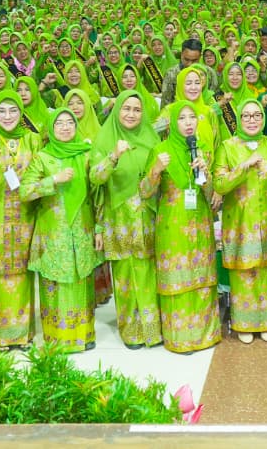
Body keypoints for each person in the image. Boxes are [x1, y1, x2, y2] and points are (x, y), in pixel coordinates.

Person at [143, 102, 221, 353]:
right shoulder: (160, 150)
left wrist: (205, 174)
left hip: (200, 223)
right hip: (172, 227)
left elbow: (211, 197)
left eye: (192, 118)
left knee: (201, 277)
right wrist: (155, 170)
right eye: (182, 118)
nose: (188, 123)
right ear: (173, 123)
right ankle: (180, 338)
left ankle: (206, 335)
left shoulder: (203, 150)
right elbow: (144, 193)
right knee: (178, 279)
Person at [21, 107, 100, 353]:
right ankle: (58, 339)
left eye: (70, 123)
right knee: (55, 282)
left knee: (80, 280)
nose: (65, 128)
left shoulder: (87, 155)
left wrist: (98, 228)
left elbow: (99, 192)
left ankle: (83, 335)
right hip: (53, 232)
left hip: (81, 229)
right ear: (51, 129)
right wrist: (52, 180)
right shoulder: (42, 157)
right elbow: (25, 192)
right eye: (59, 124)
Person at [89, 91, 163, 349]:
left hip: (146, 214)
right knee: (124, 275)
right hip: (117, 217)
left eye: (136, 109)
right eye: (126, 109)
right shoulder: (105, 139)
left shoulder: (151, 138)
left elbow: (159, 179)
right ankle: (131, 331)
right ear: (117, 110)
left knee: (147, 271)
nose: (131, 114)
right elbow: (95, 179)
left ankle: (153, 330)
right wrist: (113, 156)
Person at [213, 99, 267, 343]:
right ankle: (243, 323)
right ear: (239, 119)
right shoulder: (227, 146)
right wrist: (243, 167)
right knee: (243, 272)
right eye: (246, 116)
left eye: (256, 115)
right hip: (240, 221)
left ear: (263, 119)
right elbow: (220, 185)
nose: (252, 120)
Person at [0, 90, 40, 349]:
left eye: (13, 110)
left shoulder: (33, 140)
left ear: (21, 112)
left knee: (24, 271)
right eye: (1, 111)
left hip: (27, 214)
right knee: (1, 273)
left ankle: (24, 334)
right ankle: (3, 334)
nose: (7, 116)